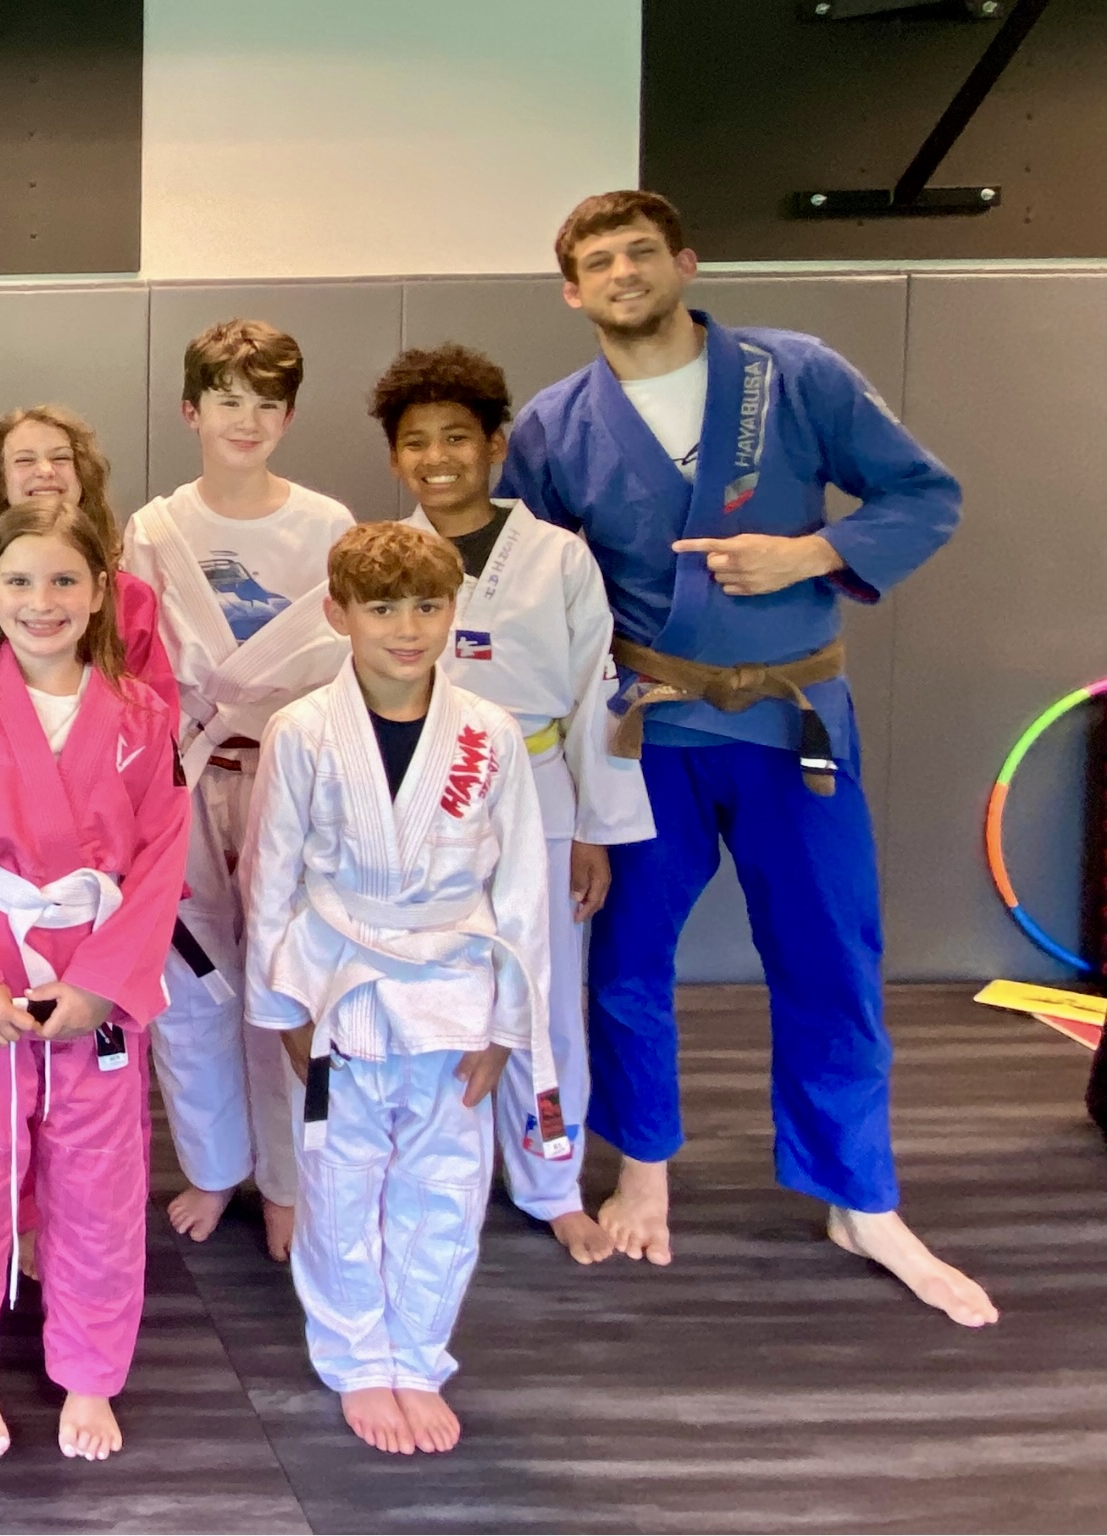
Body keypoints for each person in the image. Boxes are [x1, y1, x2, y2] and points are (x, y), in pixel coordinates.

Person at [501, 189, 994, 1326]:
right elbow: (532, 584)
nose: (620, 272)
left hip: (790, 720)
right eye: (594, 260)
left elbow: (924, 493)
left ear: (683, 259)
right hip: (645, 725)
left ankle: (855, 1193)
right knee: (623, 961)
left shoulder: (796, 374)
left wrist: (812, 549)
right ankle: (644, 1164)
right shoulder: (550, 425)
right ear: (570, 292)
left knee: (829, 950)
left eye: (638, 251)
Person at [246, 521, 557, 1456]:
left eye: (428, 605)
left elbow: (523, 895)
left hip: (456, 984)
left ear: (454, 612)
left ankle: (417, 1354)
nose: (407, 627)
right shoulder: (300, 730)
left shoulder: (490, 735)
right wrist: (279, 1007)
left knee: (448, 1179)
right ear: (339, 613)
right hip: (338, 982)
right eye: (382, 607)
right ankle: (354, 1357)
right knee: (340, 1176)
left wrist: (510, 1022)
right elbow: (273, 875)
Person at [0, 497, 190, 1463]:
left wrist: (106, 982)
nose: (42, 600)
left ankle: (91, 1371)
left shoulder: (145, 713)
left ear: (103, 593)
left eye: (65, 579)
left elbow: (160, 858)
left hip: (95, 970)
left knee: (101, 1184)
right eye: (18, 581)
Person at [376, 344, 656, 1262]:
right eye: (415, 443)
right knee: (419, 986)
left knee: (541, 995)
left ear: (497, 445)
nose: (437, 458)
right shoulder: (386, 559)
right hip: (420, 794)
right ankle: (425, 1164)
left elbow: (595, 697)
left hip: (536, 787)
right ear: (395, 459)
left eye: (457, 436)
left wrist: (594, 831)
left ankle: (549, 1177)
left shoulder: (558, 558)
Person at [122, 319, 356, 1260]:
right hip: (186, 770)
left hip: (292, 776)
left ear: (290, 415)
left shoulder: (329, 525)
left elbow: (346, 660)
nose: (246, 419)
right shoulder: (156, 528)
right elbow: (138, 668)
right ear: (191, 410)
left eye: (267, 402)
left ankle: (293, 1180)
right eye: (227, 399)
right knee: (188, 980)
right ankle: (216, 1167)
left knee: (293, 980)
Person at [0, 406, 177, 698]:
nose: (45, 470)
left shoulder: (132, 598)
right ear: (0, 483)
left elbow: (155, 716)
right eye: (25, 460)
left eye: (61, 458)